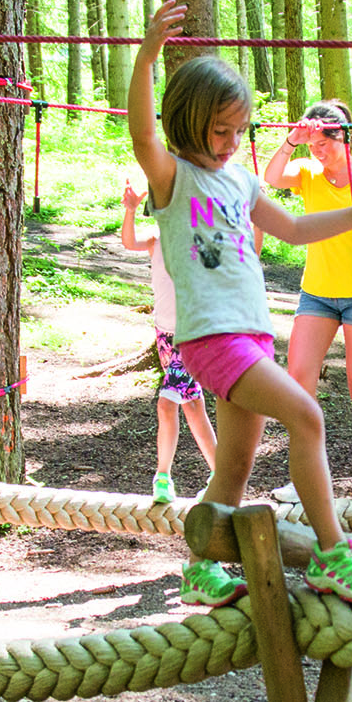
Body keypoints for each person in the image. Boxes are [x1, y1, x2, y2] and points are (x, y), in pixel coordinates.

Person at [128, 0, 352, 607]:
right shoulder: (172, 176)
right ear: (186, 121)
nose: (232, 144)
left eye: (240, 131)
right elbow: (141, 131)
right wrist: (149, 53)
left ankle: (199, 570)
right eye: (219, 131)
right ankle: (335, 556)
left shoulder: (240, 180)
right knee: (306, 415)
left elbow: (295, 228)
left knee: (233, 465)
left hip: (254, 334)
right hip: (212, 338)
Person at [259, 99, 352, 508]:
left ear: (343, 136)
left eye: (324, 143)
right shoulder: (306, 172)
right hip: (317, 294)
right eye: (314, 146)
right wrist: (292, 140)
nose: (318, 153)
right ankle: (306, 475)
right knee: (298, 379)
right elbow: (271, 177)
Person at [120, 179, 219, 503]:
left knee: (167, 403)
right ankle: (222, 475)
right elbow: (129, 241)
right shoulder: (156, 238)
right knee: (192, 406)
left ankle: (162, 477)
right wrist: (131, 210)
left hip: (193, 336)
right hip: (165, 334)